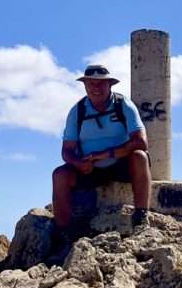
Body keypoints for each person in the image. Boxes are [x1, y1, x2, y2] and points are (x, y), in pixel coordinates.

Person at [52, 63, 152, 241]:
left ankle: (141, 216)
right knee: (60, 174)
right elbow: (67, 151)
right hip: (90, 170)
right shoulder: (78, 111)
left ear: (110, 85)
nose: (96, 88)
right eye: (91, 84)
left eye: (101, 84)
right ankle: (62, 232)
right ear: (85, 85)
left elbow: (141, 142)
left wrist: (106, 154)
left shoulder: (123, 105)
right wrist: (78, 163)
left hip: (121, 164)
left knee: (140, 157)